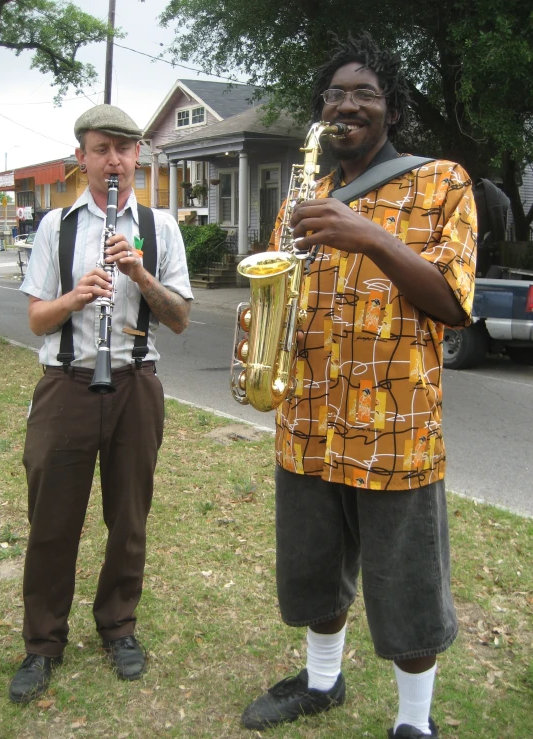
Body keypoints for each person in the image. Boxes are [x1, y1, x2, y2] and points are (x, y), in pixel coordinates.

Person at [241, 35, 476, 738]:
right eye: (335, 95)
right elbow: (283, 288)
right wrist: (259, 330)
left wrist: (365, 233)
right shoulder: (304, 194)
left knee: (407, 589)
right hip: (308, 415)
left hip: (396, 427)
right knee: (314, 572)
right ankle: (322, 679)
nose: (346, 106)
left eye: (364, 94)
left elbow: (453, 302)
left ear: (391, 109)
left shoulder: (444, 181)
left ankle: (414, 722)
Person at [9, 104, 193, 703]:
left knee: (129, 519)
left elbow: (181, 319)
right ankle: (43, 644)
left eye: (125, 148)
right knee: (52, 521)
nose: (114, 160)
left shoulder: (160, 228)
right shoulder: (54, 228)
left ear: (138, 155)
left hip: (135, 384)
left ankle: (118, 627)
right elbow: (37, 320)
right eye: (101, 148)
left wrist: (138, 275)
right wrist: (76, 296)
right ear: (81, 159)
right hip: (65, 385)